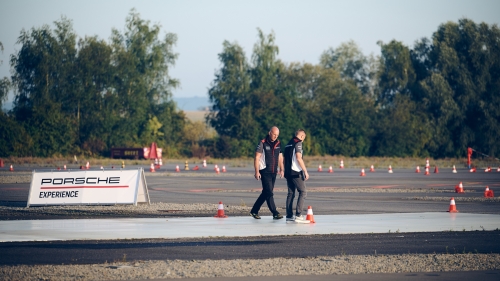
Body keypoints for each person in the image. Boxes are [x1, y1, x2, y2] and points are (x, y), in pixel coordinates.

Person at [250, 126, 284, 220]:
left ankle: (254, 211)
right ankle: (275, 212)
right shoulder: (262, 143)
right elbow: (257, 157)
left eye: (277, 135)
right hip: (264, 170)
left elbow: (280, 157)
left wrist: (282, 169)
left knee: (266, 192)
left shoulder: (278, 143)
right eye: (274, 134)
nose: (275, 136)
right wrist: (257, 171)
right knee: (269, 192)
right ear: (269, 133)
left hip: (274, 171)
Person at [284, 129, 310, 223]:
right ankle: (298, 215)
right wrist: (305, 171)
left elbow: (284, 158)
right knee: (303, 192)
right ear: (302, 136)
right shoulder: (298, 143)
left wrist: (283, 170)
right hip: (295, 172)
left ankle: (289, 216)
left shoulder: (288, 143)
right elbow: (299, 158)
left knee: (291, 193)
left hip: (288, 172)